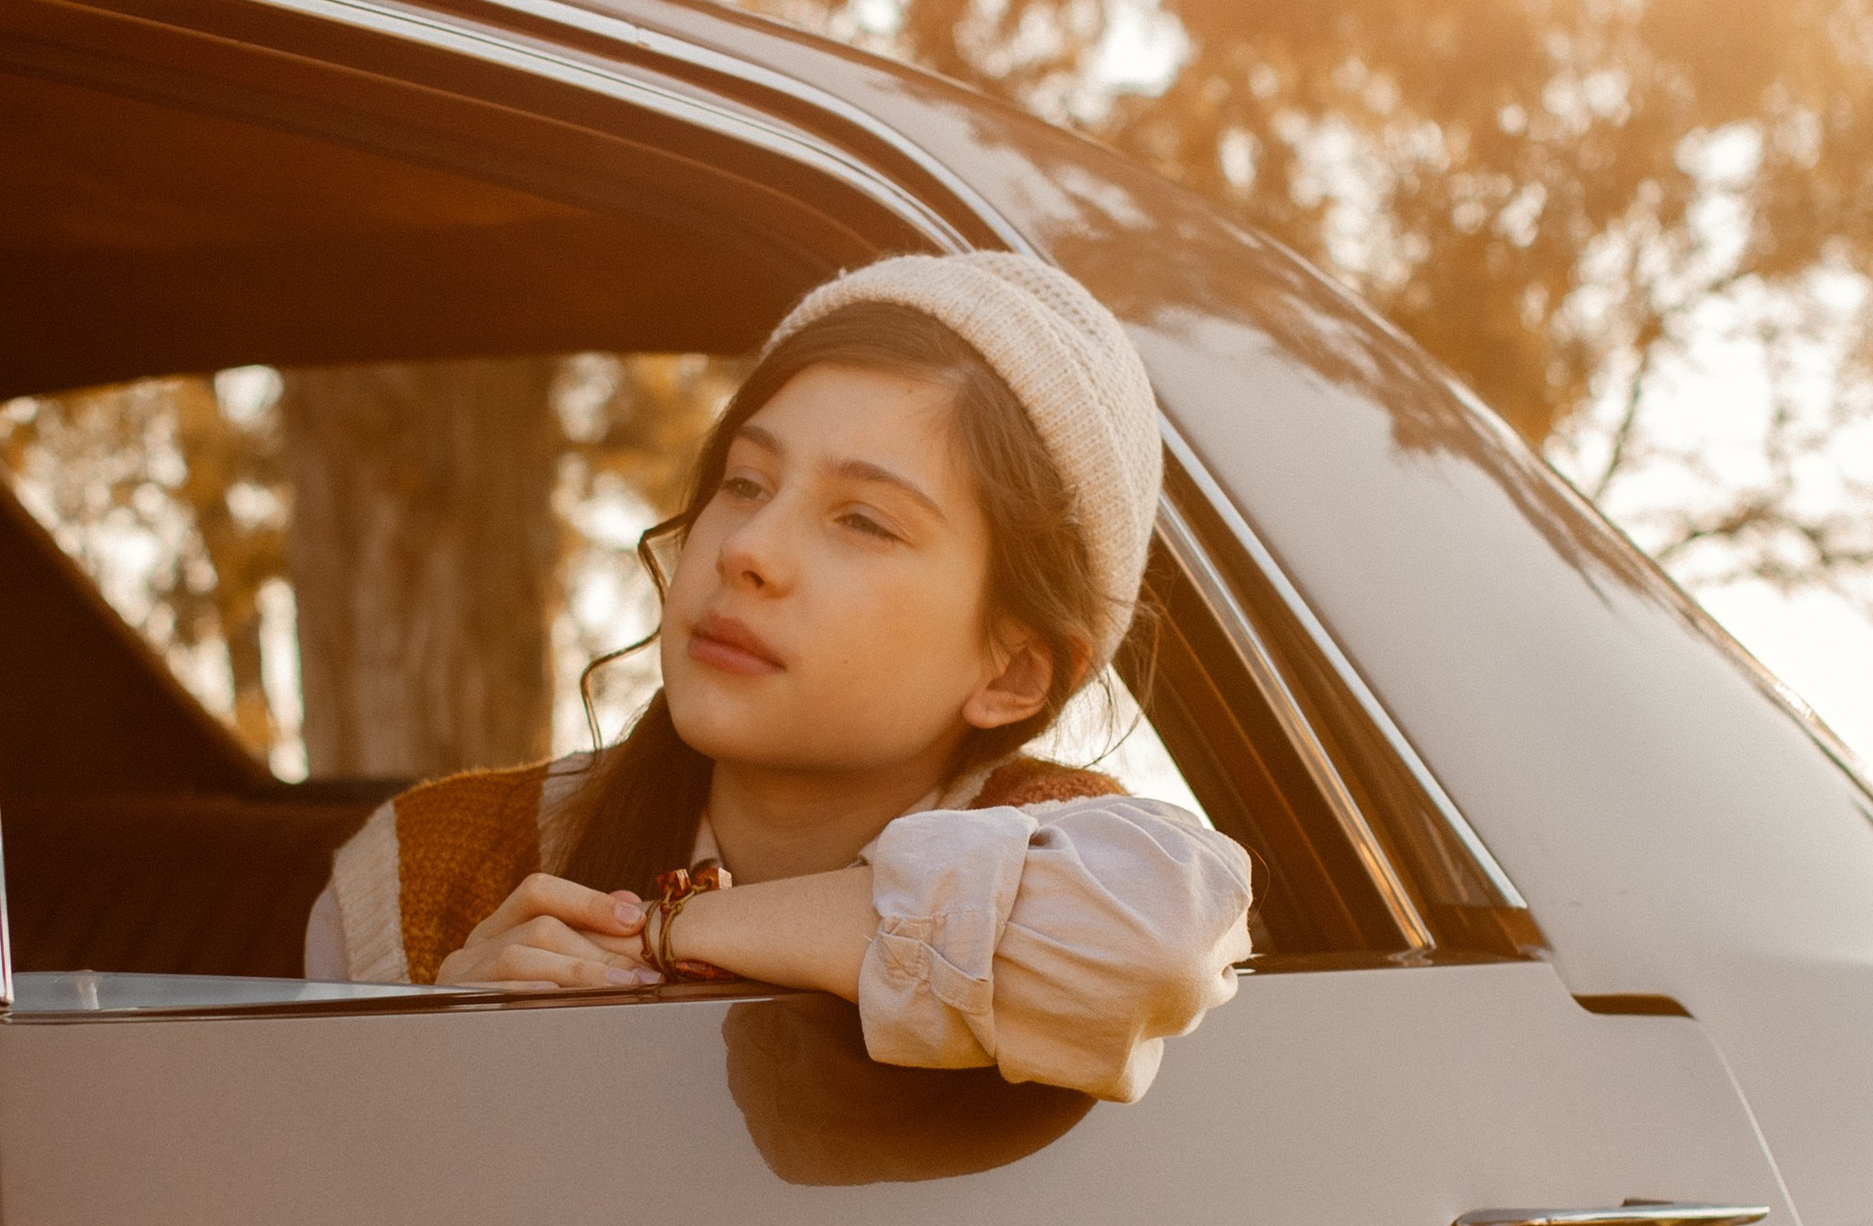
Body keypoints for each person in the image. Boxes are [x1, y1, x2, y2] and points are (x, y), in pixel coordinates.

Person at [302, 252, 1253, 1101]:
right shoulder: (423, 872)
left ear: (1013, 672)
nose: (747, 549)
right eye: (746, 483)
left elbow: (1161, 940)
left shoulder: (1067, 857)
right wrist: (429, 1065)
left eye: (863, 521)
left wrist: (667, 933)